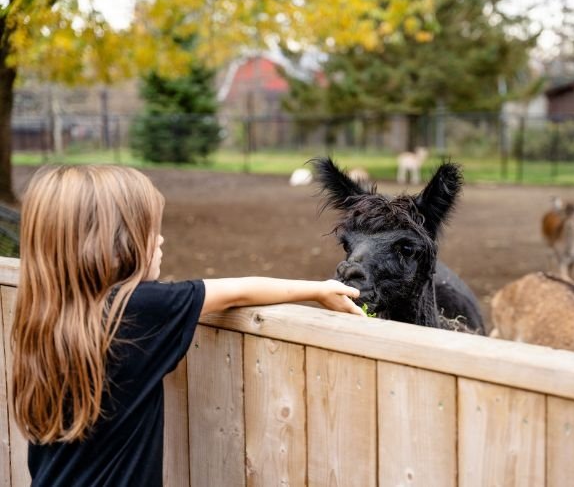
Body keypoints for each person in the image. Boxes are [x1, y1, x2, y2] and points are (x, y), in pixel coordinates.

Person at [12, 164, 364, 486]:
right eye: (149, 231)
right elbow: (238, 291)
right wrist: (319, 290)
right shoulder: (137, 310)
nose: (161, 240)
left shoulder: (45, 312)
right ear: (113, 247)